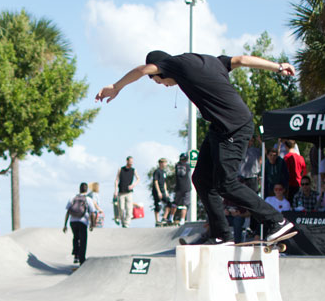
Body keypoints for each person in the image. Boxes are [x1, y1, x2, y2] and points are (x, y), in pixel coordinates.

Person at [95, 51, 297, 246]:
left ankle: (276, 221)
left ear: (160, 71)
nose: (165, 86)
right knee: (201, 178)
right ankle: (221, 235)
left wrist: (116, 86)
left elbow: (142, 69)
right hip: (220, 128)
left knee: (225, 184)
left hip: (234, 127)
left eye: (159, 81)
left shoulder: (175, 64)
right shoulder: (210, 61)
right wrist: (278, 67)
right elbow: (242, 59)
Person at [62, 183, 96, 265]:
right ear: (86, 190)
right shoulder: (88, 199)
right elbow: (92, 212)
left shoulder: (73, 198)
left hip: (72, 221)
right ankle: (82, 259)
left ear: (79, 189)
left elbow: (68, 212)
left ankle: (76, 256)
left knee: (76, 237)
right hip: (83, 221)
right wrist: (92, 224)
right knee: (83, 240)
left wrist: (65, 225)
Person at [115, 156, 138, 227]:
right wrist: (115, 190)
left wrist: (133, 185)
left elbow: (138, 178)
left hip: (129, 192)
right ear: (127, 161)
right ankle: (122, 222)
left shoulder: (133, 170)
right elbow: (116, 180)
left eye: (132, 161)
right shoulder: (121, 169)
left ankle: (127, 223)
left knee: (129, 208)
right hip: (121, 192)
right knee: (121, 208)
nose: (131, 163)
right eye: (130, 161)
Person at [171, 154, 192, 223]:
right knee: (185, 204)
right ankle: (182, 219)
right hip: (186, 187)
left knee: (175, 203)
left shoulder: (177, 165)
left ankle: (171, 217)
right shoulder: (187, 165)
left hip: (178, 187)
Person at [151, 158, 172, 225]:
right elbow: (156, 182)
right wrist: (158, 192)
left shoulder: (164, 172)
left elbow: (164, 182)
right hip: (157, 191)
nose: (165, 164)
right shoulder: (157, 171)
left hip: (163, 190)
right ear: (160, 163)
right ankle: (157, 221)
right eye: (164, 163)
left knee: (169, 203)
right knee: (157, 205)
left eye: (165, 163)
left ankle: (164, 217)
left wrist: (166, 191)